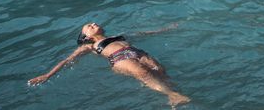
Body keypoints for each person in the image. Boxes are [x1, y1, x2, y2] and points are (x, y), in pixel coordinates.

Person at [28, 22, 190, 106]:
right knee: (144, 74)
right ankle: (171, 95)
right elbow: (67, 61)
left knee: (160, 70)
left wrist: (167, 29)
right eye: (89, 27)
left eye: (92, 23)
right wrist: (48, 75)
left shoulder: (119, 36)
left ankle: (174, 95)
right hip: (120, 59)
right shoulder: (89, 46)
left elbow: (144, 34)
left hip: (138, 52)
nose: (93, 24)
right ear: (87, 37)